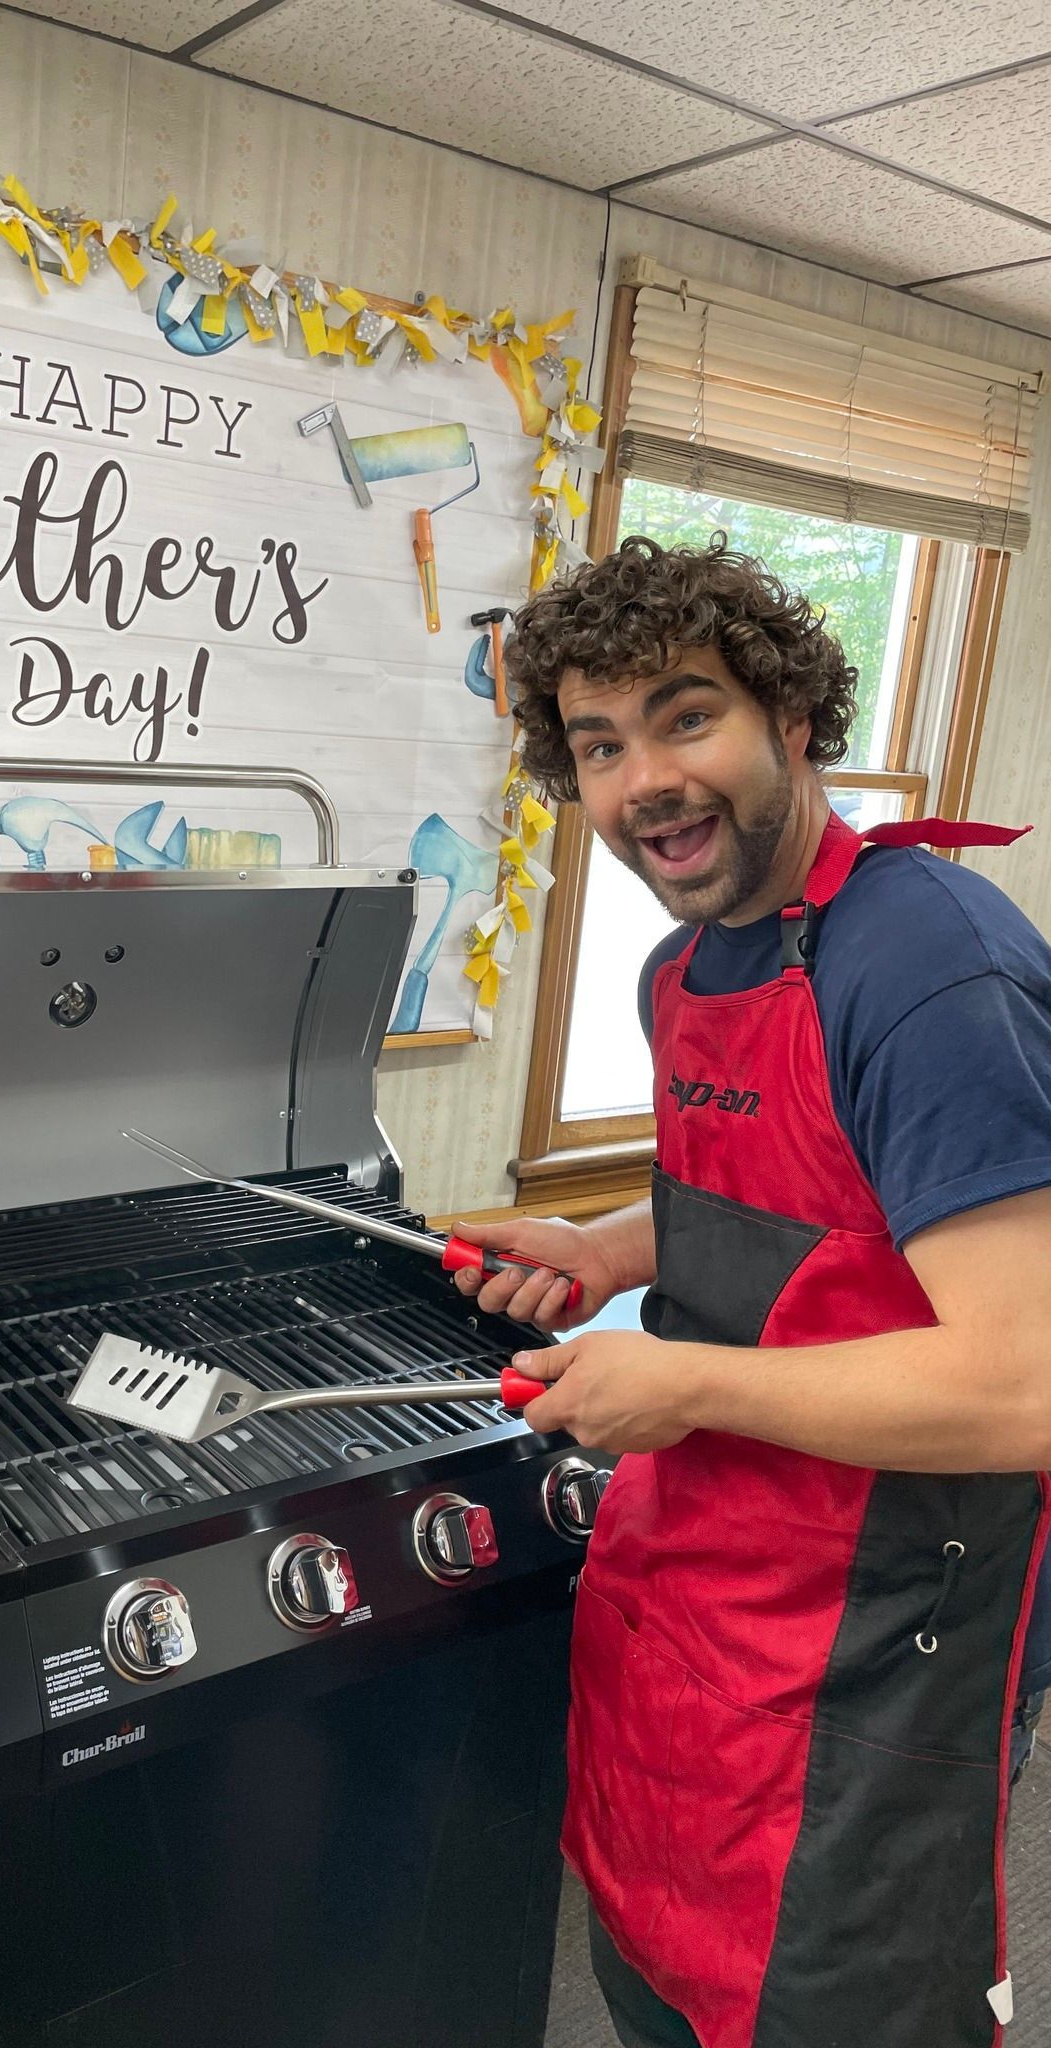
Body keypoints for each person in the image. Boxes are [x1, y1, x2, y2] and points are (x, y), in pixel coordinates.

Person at [452, 536, 1051, 2048]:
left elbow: (1024, 1381)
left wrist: (688, 1383)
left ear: (791, 720)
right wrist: (604, 1248)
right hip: (700, 1584)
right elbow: (811, 1194)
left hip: (886, 1623)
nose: (644, 776)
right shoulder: (694, 965)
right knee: (656, 1982)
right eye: (600, 742)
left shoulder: (928, 967)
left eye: (685, 715)